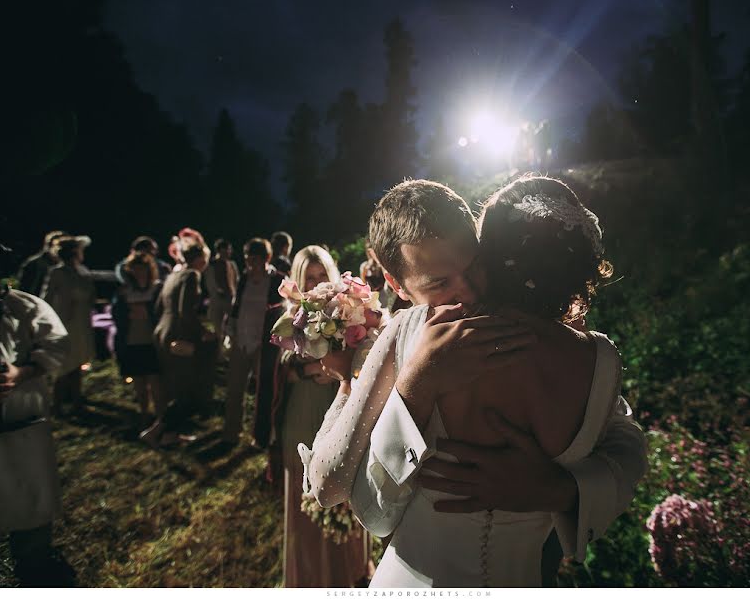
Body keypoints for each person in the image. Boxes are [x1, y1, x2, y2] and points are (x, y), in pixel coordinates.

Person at [300, 178, 647, 587]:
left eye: (473, 266)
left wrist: (558, 490)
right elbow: (625, 447)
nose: (465, 292)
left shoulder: (409, 331)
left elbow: (333, 487)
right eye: (440, 283)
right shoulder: (597, 357)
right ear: (397, 285)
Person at [0, 233, 73, 587]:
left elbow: (56, 345)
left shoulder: (19, 305)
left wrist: (22, 372)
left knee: (31, 531)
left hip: (23, 435)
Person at [276, 245, 368, 587]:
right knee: (308, 493)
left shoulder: (346, 310)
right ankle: (312, 579)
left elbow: (361, 350)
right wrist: (309, 369)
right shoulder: (290, 314)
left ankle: (348, 572)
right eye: (308, 277)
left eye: (320, 276)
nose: (315, 283)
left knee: (345, 480)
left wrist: (327, 367)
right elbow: (280, 365)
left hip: (341, 403)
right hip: (304, 409)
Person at [140, 239, 215, 447]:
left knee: (173, 386)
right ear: (201, 258)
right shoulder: (192, 275)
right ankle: (158, 432)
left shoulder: (174, 274)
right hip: (178, 335)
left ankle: (166, 432)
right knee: (185, 388)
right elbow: (185, 312)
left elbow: (158, 306)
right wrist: (203, 333)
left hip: (163, 330)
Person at [221, 238, 275, 444]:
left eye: (255, 260)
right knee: (234, 389)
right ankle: (231, 432)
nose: (251, 264)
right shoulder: (244, 279)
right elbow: (236, 308)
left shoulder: (276, 280)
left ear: (266, 259)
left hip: (263, 344)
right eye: (248, 260)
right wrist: (231, 332)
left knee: (263, 391)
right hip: (241, 340)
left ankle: (259, 434)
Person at [41, 235, 96, 415]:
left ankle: (76, 400)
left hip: (81, 322)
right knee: (64, 364)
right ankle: (57, 404)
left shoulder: (83, 271)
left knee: (78, 362)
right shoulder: (57, 272)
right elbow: (46, 298)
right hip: (65, 323)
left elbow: (90, 295)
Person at [111, 252, 163, 425]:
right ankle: (144, 414)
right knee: (139, 382)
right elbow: (118, 315)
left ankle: (160, 415)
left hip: (152, 340)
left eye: (142, 269)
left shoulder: (156, 289)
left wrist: (145, 311)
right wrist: (130, 312)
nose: (139, 273)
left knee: (155, 380)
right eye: (135, 269)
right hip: (132, 340)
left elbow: (160, 313)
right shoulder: (124, 292)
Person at [204, 238, 239, 347]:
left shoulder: (231, 264)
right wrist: (218, 292)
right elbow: (210, 282)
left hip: (231, 299)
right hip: (217, 300)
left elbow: (236, 280)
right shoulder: (212, 264)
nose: (229, 252)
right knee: (217, 326)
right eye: (227, 250)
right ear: (220, 250)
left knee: (233, 325)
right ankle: (219, 351)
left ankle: (230, 348)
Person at [16, 229, 66, 296]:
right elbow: (26, 291)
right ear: (50, 246)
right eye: (60, 246)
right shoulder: (35, 264)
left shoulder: (62, 265)